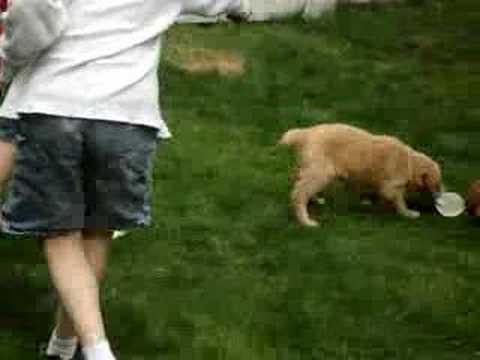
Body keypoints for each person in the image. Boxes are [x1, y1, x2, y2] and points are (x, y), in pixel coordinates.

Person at [0, 1, 246, 359]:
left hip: (56, 103)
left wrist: (8, 62)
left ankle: (98, 351)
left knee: (60, 236)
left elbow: (38, 12)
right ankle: (63, 346)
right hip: (129, 116)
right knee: (97, 233)